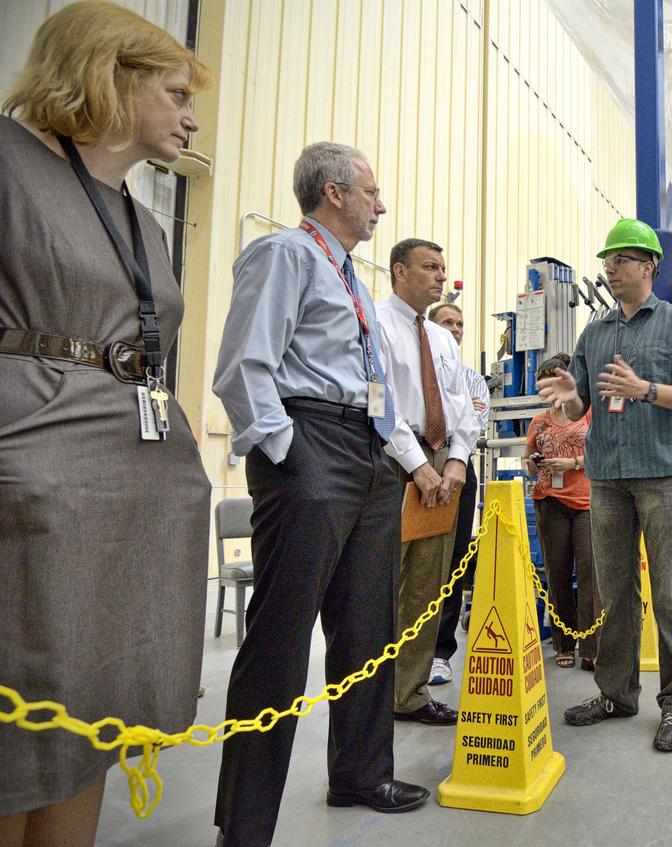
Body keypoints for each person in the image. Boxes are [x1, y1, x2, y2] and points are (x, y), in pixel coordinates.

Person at [0, 4, 212, 845]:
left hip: (135, 480)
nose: (190, 117)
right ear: (108, 78)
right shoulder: (8, 165)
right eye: (174, 93)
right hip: (40, 461)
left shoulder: (141, 214)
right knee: (24, 705)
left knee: (92, 708)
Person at [212, 143, 434, 846]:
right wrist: (288, 451)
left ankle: (361, 774)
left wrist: (410, 460)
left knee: (368, 628)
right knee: (279, 641)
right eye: (372, 191)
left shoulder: (353, 282)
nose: (382, 204)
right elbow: (242, 365)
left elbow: (375, 389)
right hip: (308, 447)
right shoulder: (285, 254)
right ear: (334, 193)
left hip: (365, 454)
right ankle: (245, 825)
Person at [536, 218, 672, 753]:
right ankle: (616, 693)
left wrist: (646, 389)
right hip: (607, 480)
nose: (610, 270)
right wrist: (570, 395)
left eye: (619, 260)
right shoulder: (594, 333)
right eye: (606, 262)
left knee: (668, 593)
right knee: (614, 592)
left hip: (661, 476)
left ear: (649, 266)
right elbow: (580, 406)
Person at [376, 242, 482, 718]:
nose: (441, 276)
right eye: (430, 267)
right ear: (400, 271)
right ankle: (370, 699)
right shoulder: (375, 323)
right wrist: (417, 465)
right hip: (394, 463)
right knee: (380, 584)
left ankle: (410, 694)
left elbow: (464, 405)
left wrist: (457, 460)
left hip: (441, 465)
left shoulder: (442, 340)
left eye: (443, 268)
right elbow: (375, 400)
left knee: (429, 585)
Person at [426, 302, 490, 684]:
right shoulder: (417, 369)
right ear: (429, 329)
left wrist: (464, 411)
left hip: (459, 465)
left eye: (460, 323)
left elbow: (476, 421)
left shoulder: (473, 379)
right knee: (410, 563)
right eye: (447, 322)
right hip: (414, 461)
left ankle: (440, 653)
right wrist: (463, 409)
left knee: (453, 562)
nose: (455, 328)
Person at [523, 353, 599, 670]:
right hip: (549, 500)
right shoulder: (539, 421)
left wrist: (573, 463)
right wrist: (533, 464)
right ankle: (563, 643)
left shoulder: (588, 415)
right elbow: (527, 462)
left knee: (589, 573)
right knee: (557, 574)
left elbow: (602, 454)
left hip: (586, 502)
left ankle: (592, 646)